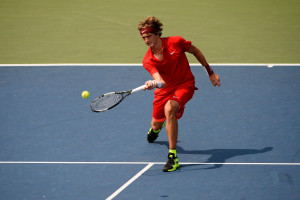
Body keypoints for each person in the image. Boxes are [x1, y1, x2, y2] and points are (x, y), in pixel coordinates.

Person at [138, 16, 221, 172]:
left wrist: (210, 72)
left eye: (148, 36)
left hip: (185, 84)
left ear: (157, 34)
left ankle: (172, 157)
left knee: (170, 109)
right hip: (164, 89)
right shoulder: (148, 60)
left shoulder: (175, 42)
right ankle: (157, 128)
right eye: (143, 37)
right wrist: (153, 83)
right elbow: (160, 82)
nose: (146, 40)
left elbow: (195, 50)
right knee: (156, 123)